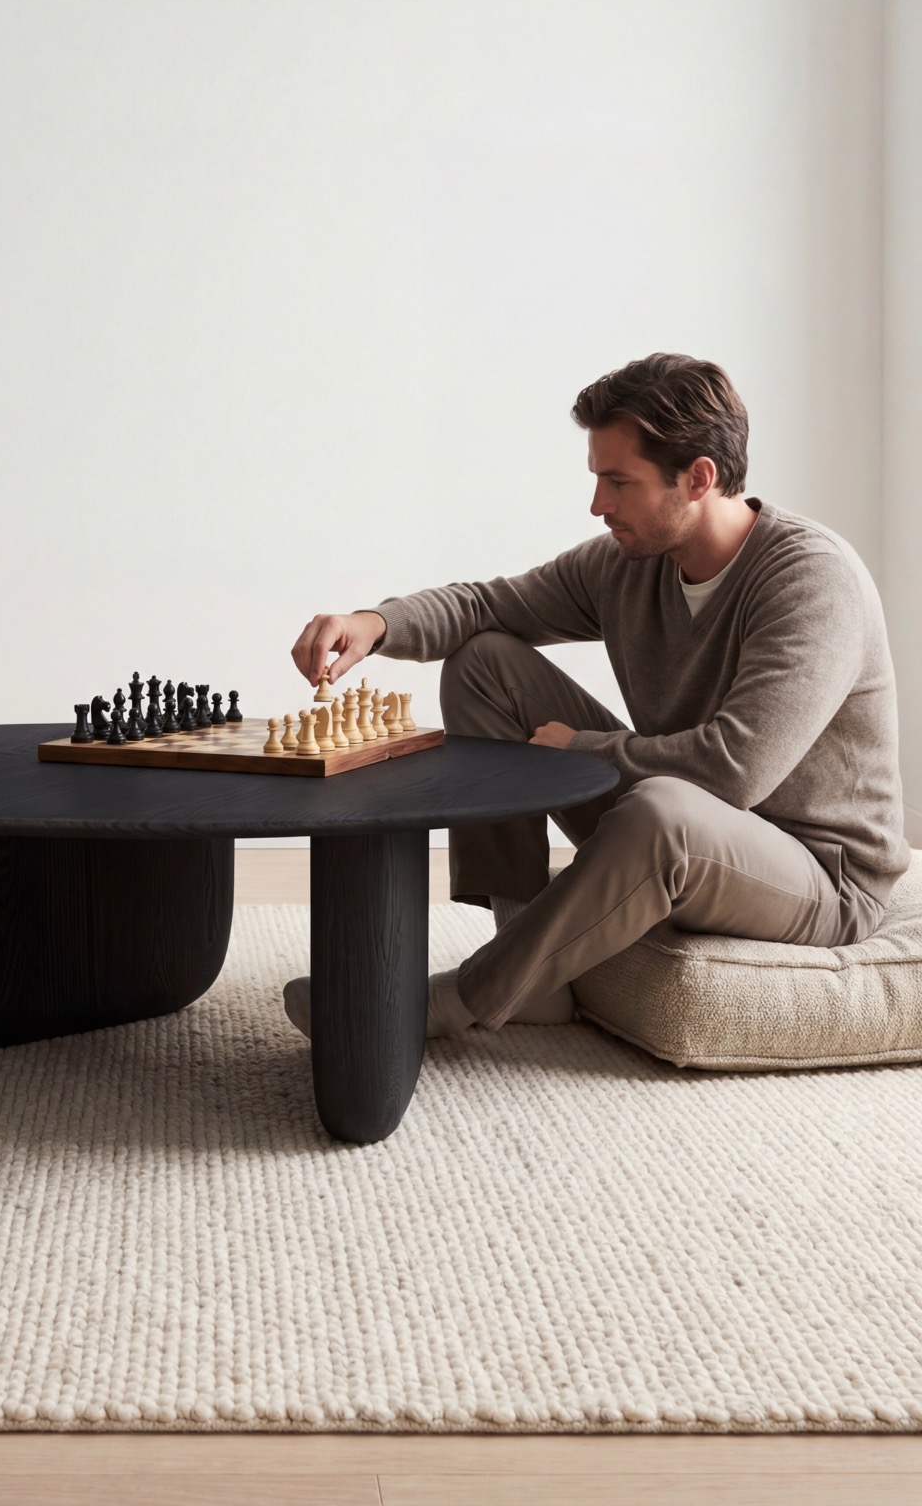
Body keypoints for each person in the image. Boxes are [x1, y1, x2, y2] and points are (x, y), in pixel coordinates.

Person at [282, 353, 910, 1041]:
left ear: (698, 478)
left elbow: (738, 769)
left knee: (661, 809)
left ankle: (462, 997)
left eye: (619, 481)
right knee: (485, 661)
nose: (597, 504)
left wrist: (579, 751)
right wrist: (373, 626)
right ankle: (525, 951)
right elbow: (489, 605)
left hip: (821, 875)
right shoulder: (627, 566)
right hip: (679, 816)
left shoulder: (811, 580)